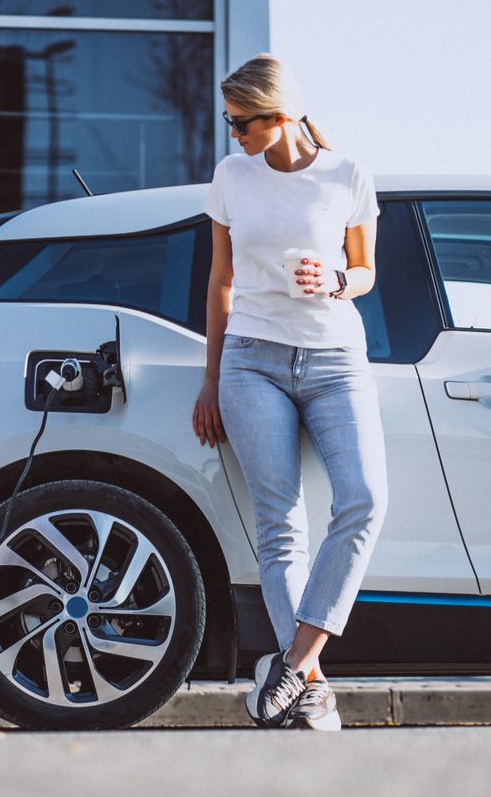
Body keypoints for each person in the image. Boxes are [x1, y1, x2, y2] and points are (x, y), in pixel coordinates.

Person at [192, 53, 388, 731]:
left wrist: (335, 281)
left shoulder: (347, 175)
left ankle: (293, 667)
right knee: (281, 527)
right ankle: (312, 689)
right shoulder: (231, 176)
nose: (234, 136)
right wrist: (212, 378)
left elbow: (365, 271)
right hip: (251, 362)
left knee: (365, 499)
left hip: (336, 361)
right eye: (230, 123)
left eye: (242, 124)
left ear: (279, 117)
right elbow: (221, 281)